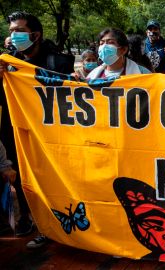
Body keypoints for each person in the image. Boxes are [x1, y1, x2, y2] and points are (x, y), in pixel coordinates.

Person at [0, 11, 75, 248]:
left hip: (51, 136)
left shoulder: (58, 62)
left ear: (36, 34)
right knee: (21, 177)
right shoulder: (6, 63)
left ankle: (62, 224)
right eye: (11, 31)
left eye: (19, 31)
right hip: (14, 132)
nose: (14, 35)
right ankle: (32, 221)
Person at [87, 28, 151, 80]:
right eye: (101, 43)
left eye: (110, 42)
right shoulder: (93, 76)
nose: (104, 46)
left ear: (123, 50)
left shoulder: (143, 74)